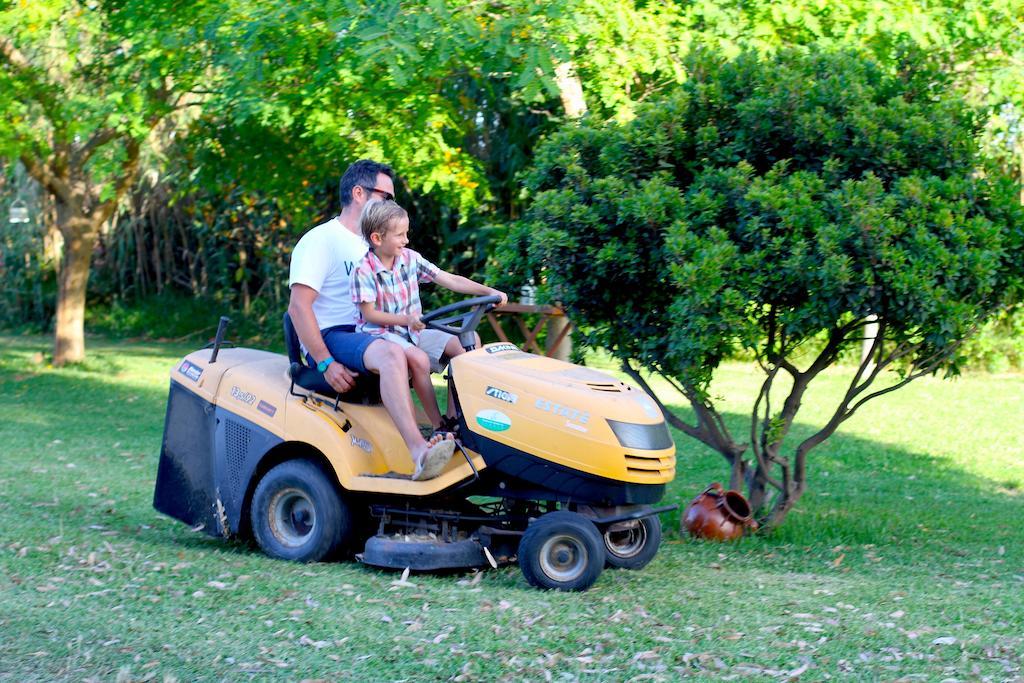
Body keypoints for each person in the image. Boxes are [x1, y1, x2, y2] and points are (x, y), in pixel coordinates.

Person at [288, 160, 454, 481]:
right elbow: (298, 308)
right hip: (337, 336)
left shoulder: (377, 242)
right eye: (387, 197)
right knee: (392, 354)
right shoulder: (321, 240)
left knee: (459, 343)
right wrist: (324, 363)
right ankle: (419, 451)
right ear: (359, 193)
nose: (393, 204)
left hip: (378, 332)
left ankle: (452, 432)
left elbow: (425, 277)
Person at [351, 199, 507, 455]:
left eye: (406, 233)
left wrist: (489, 291)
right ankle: (439, 426)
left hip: (414, 331)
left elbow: (449, 279)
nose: (406, 240)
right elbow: (370, 314)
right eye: (400, 235)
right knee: (419, 359)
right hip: (382, 335)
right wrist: (406, 320)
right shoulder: (363, 271)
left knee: (469, 343)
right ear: (377, 238)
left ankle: (457, 420)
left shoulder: (410, 259)